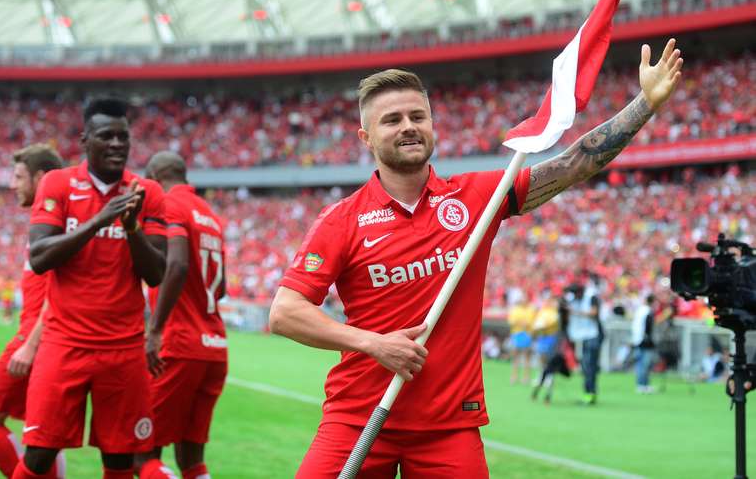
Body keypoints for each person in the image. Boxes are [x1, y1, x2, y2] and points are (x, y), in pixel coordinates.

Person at [270, 38, 683, 476]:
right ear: (366, 137)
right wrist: (372, 343)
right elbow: (285, 313)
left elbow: (573, 165)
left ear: (433, 125)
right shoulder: (341, 220)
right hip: (358, 417)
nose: (408, 126)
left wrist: (645, 104)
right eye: (392, 120)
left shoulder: (477, 198)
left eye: (418, 116)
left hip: (449, 426)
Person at [12, 98, 168, 479]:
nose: (116, 144)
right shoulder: (58, 183)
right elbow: (40, 256)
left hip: (123, 348)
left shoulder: (146, 191)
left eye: (123, 137)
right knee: (39, 453)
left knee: (120, 459)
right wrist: (98, 221)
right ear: (85, 139)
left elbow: (156, 273)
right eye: (106, 136)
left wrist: (131, 228)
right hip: (64, 344)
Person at [134, 151, 228, 479]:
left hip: (179, 344)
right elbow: (222, 287)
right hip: (214, 346)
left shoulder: (169, 204)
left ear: (156, 178)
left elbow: (177, 263)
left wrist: (155, 329)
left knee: (140, 454)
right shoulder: (210, 215)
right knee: (192, 459)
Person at [0, 144, 65, 478]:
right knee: (41, 434)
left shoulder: (56, 223)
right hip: (41, 335)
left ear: (41, 177)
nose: (13, 185)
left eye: (18, 177)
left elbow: (60, 292)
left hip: (37, 336)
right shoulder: (46, 219)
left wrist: (31, 343)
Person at [565, 282, 602, 405]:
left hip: (592, 336)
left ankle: (590, 393)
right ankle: (589, 392)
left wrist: (576, 312)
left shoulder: (591, 297)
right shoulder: (573, 299)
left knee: (589, 365)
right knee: (585, 366)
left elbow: (594, 312)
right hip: (580, 337)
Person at [632, 294, 657, 394]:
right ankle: (643, 385)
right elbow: (648, 327)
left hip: (637, 339)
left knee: (640, 364)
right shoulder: (647, 312)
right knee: (645, 364)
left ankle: (640, 384)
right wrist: (648, 338)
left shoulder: (639, 310)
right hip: (644, 341)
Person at [507, 299, 535, 384]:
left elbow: (533, 322)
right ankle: (514, 376)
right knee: (515, 357)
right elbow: (511, 321)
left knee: (527, 357)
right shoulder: (515, 310)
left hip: (527, 335)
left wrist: (526, 323)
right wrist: (520, 323)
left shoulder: (531, 310)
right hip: (516, 334)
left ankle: (526, 377)